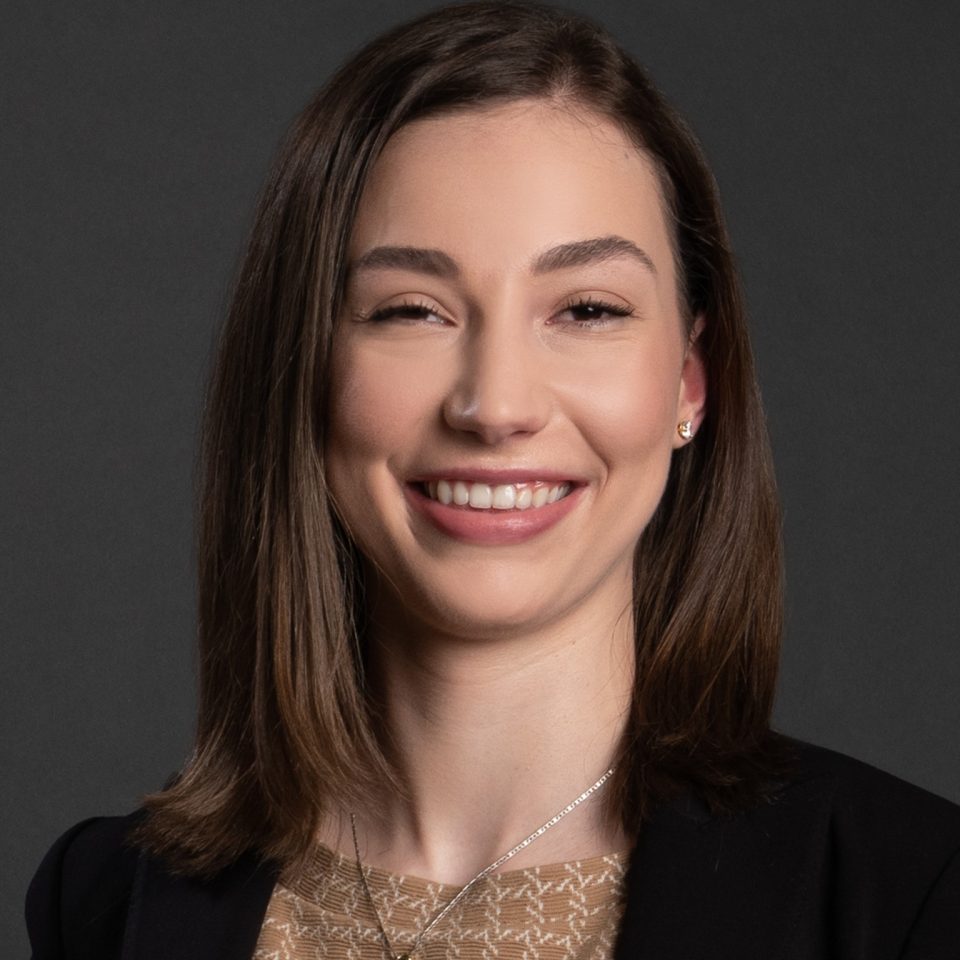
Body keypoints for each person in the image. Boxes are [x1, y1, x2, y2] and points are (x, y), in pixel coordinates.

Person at [26, 2, 960, 958]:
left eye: (588, 309)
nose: (495, 404)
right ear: (302, 372)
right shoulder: (106, 906)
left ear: (689, 381)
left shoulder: (912, 896)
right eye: (412, 311)